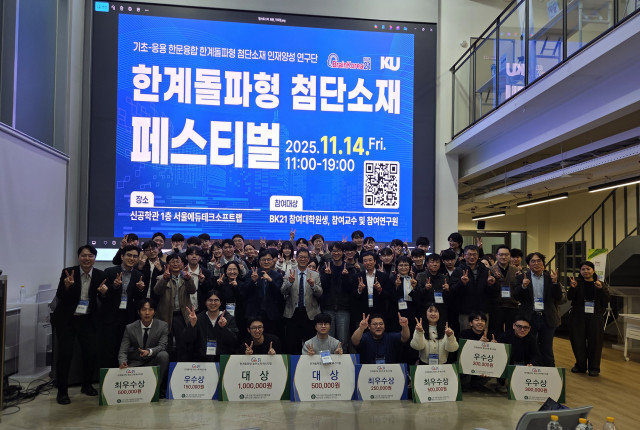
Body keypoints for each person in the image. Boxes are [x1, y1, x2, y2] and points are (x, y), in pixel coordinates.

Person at [52, 245, 106, 405]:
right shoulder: (68, 272)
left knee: (90, 353)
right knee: (65, 355)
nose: (87, 259)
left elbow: (103, 299)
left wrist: (104, 293)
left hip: (87, 319)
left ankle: (86, 385)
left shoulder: (100, 275)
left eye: (90, 256)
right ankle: (62, 392)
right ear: (78, 257)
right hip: (68, 320)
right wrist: (66, 286)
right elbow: (60, 295)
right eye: (84, 255)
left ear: (94, 258)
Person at [514, 252, 566, 367]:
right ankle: (528, 370)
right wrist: (523, 286)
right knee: (529, 345)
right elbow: (516, 296)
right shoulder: (522, 277)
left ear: (543, 263)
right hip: (529, 317)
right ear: (529, 264)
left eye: (539, 261)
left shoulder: (550, 277)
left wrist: (555, 283)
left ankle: (549, 371)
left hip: (548, 317)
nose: (536, 263)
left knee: (547, 347)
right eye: (533, 261)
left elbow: (558, 298)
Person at [100, 245, 147, 368]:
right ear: (122, 256)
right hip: (110, 316)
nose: (132, 258)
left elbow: (138, 299)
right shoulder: (109, 272)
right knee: (109, 348)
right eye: (129, 255)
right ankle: (107, 376)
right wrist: (114, 286)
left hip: (128, 316)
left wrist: (140, 290)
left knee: (124, 348)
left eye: (135, 256)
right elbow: (103, 295)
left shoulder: (139, 275)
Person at [118, 298, 170, 395]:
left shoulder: (162, 326)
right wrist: (122, 362)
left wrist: (149, 352)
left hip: (152, 361)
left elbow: (162, 346)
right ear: (138, 312)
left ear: (154, 312)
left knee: (164, 355)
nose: (147, 313)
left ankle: (156, 389)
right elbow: (123, 350)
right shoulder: (130, 328)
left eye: (150, 309)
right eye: (143, 309)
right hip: (136, 362)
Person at [567, 261, 610, 376]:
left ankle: (594, 367)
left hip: (595, 316)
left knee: (595, 342)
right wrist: (572, 288)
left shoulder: (600, 283)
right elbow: (569, 297)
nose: (585, 271)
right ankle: (580, 365)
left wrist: (601, 289)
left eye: (588, 269)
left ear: (593, 270)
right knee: (577, 341)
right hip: (578, 316)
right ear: (580, 271)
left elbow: (607, 299)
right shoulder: (576, 283)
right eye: (583, 269)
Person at [153, 253, 196, 360]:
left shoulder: (187, 277)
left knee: (182, 345)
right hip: (165, 315)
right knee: (166, 345)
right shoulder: (161, 277)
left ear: (182, 264)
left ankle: (180, 367)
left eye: (178, 262)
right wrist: (165, 279)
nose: (175, 264)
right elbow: (157, 291)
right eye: (172, 262)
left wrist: (188, 280)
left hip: (181, 316)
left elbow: (192, 290)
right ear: (167, 264)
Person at [281, 248, 323, 354]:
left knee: (310, 345)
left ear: (308, 259)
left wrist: (313, 285)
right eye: (301, 257)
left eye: (305, 257)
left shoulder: (315, 275)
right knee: (292, 345)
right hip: (293, 314)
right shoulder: (289, 273)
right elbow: (283, 291)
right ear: (296, 258)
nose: (303, 259)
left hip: (310, 314)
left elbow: (319, 293)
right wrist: (289, 283)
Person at [449, 245, 498, 331]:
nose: (472, 257)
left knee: (483, 336)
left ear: (478, 256)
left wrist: (491, 284)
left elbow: (495, 293)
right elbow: (452, 290)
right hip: (465, 312)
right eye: (469, 254)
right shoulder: (458, 270)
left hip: (483, 311)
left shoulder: (486, 271)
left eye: (474, 254)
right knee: (465, 336)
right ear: (464, 256)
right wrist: (462, 283)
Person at [239, 249, 285, 338]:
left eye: (269, 259)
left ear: (273, 261)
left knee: (271, 338)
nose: (266, 262)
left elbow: (279, 293)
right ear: (259, 261)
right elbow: (244, 292)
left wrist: (271, 281)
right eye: (264, 260)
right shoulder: (251, 273)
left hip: (271, 315)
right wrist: (253, 281)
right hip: (254, 314)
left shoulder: (277, 275)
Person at [185, 289, 239, 361]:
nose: (213, 303)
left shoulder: (229, 318)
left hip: (223, 359)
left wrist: (224, 328)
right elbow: (188, 340)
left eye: (216, 300)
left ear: (220, 303)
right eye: (210, 300)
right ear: (205, 302)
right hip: (202, 360)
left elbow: (233, 341)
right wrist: (192, 325)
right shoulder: (198, 318)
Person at [320, 242, 352, 347]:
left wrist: (346, 277)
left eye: (338, 251)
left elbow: (351, 290)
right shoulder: (325, 268)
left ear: (343, 252)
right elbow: (322, 289)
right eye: (334, 251)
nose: (336, 253)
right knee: (328, 340)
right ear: (330, 252)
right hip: (328, 308)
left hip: (344, 309)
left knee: (342, 340)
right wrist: (327, 275)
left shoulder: (350, 268)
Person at [488, 245, 520, 337]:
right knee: (496, 333)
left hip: (512, 306)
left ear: (510, 256)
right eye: (501, 254)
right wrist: (494, 280)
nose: (503, 257)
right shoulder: (490, 270)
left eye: (506, 255)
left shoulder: (516, 270)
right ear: (496, 256)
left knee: (511, 333)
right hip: (496, 307)